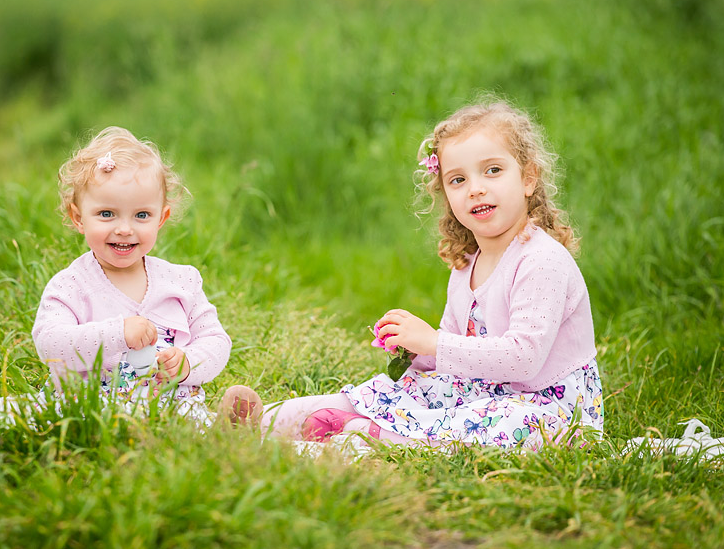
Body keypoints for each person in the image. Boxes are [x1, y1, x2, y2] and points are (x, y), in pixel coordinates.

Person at [228, 98, 603, 449]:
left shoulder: (541, 261)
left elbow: (524, 359)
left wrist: (434, 343)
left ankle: (368, 436)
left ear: (528, 178)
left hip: (548, 411)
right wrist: (416, 352)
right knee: (401, 389)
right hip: (486, 389)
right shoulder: (468, 265)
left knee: (494, 419)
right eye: (458, 180)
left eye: (493, 170)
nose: (475, 188)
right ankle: (262, 423)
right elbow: (458, 355)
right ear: (445, 193)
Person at [32, 127, 232, 420]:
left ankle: (232, 427)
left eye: (141, 215)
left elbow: (216, 340)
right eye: (106, 214)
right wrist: (117, 333)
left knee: (195, 425)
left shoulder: (181, 282)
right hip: (92, 411)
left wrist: (188, 363)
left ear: (160, 218)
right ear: (78, 218)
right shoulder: (71, 286)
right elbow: (50, 345)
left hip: (171, 409)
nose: (124, 229)